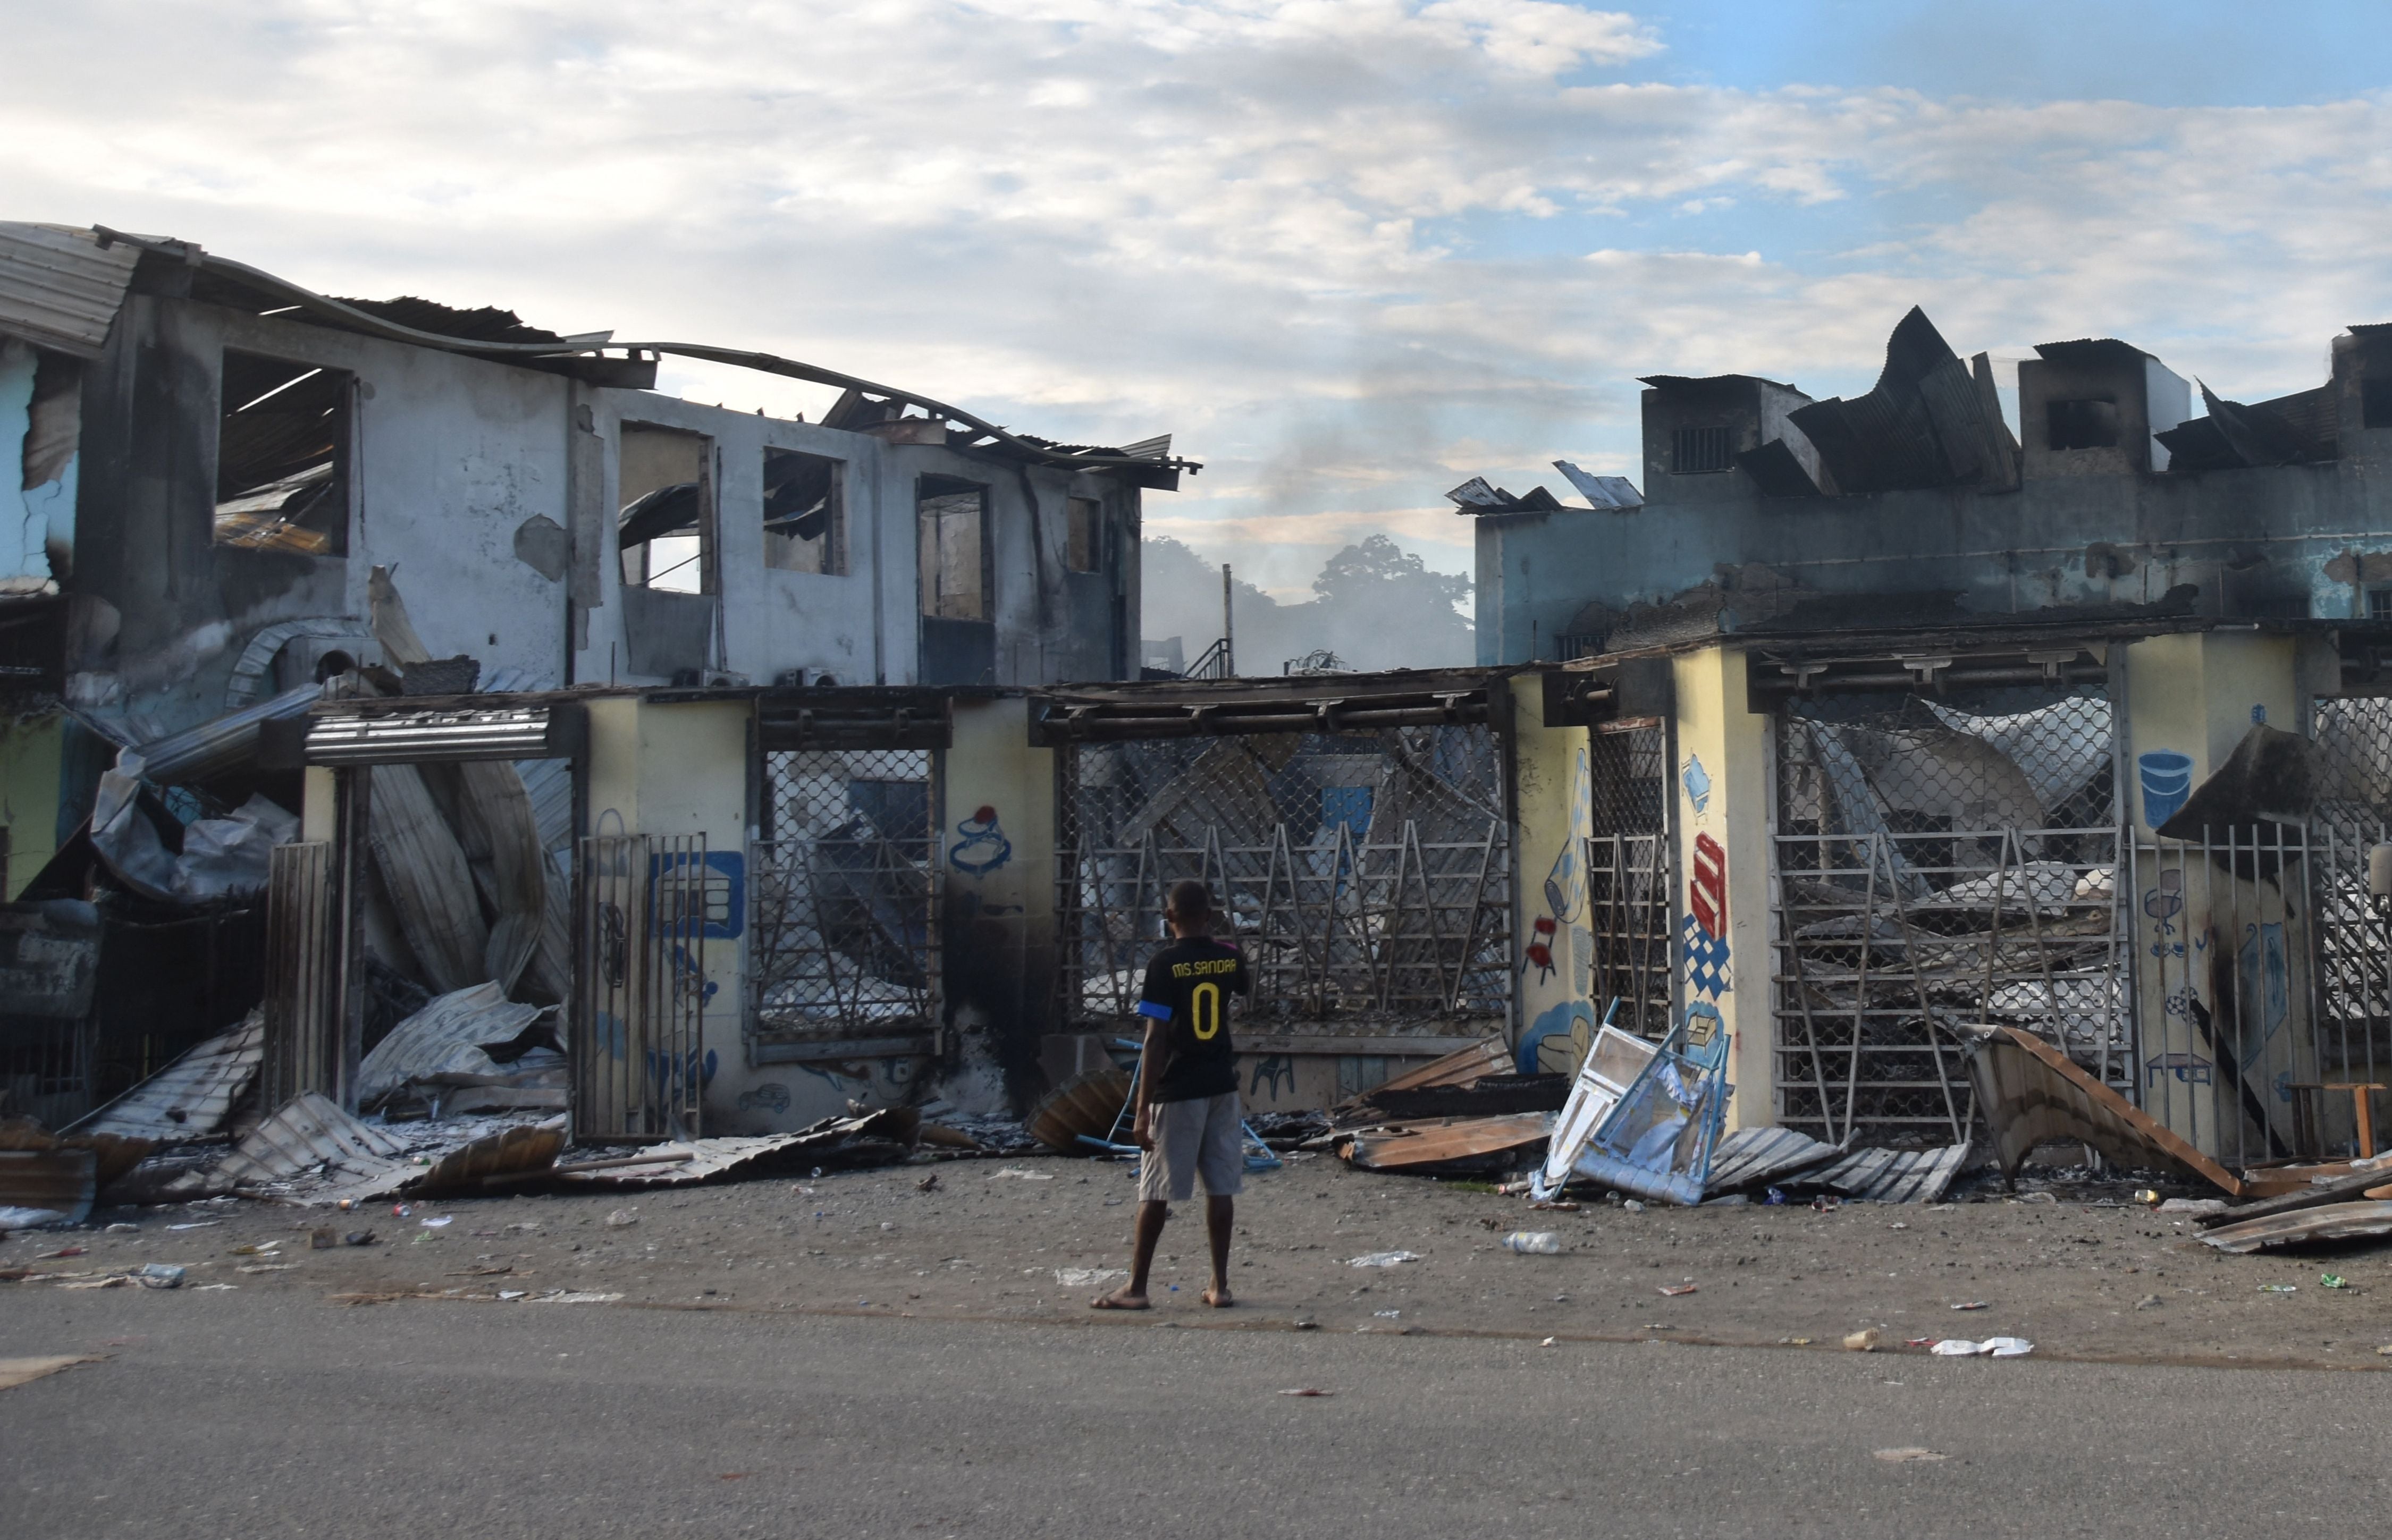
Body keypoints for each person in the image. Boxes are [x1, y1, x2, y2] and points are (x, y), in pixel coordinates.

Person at [1092, 878, 1250, 1310]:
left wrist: (1142, 1108)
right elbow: (1241, 986)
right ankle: (1220, 1286)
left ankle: (1137, 1288)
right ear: (1211, 915)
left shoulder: (1164, 965)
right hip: (1222, 1084)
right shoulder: (1229, 957)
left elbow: (1154, 1039)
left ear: (1169, 916)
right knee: (1221, 1187)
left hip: (1178, 1089)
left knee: (1156, 1190)